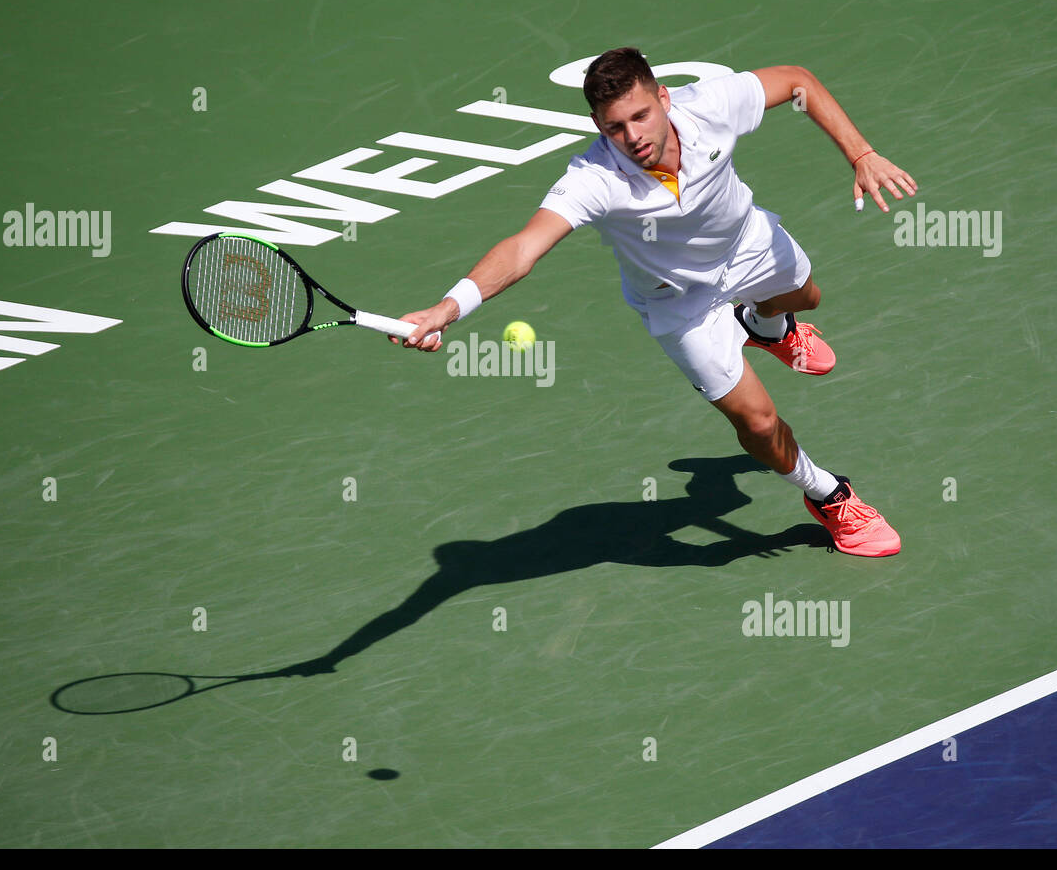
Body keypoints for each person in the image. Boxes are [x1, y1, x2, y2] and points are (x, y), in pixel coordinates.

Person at [393, 47, 917, 556]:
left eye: (640, 116)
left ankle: (764, 325)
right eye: (614, 127)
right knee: (757, 423)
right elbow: (523, 248)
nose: (632, 136)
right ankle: (830, 495)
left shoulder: (711, 106)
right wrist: (447, 308)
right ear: (600, 127)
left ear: (664, 99)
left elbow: (798, 79)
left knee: (808, 296)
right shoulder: (594, 178)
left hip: (747, 245)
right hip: (679, 303)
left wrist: (862, 155)